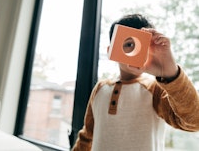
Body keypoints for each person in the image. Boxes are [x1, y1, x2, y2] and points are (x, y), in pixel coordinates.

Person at [72, 14, 199, 151]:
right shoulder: (100, 88)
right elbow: (87, 136)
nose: (137, 51)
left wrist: (170, 73)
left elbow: (194, 121)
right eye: (129, 44)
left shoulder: (155, 89)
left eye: (146, 46)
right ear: (111, 51)